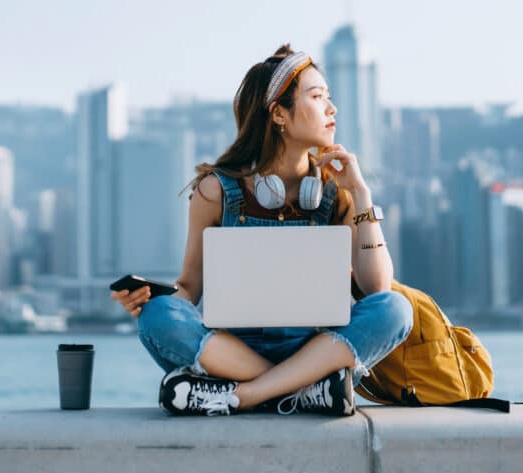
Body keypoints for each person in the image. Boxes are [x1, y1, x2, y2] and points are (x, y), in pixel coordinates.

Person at [110, 44, 413, 417]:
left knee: (396, 308)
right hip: (230, 350)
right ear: (279, 114)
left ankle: (242, 396)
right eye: (318, 97)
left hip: (313, 348)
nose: (332, 109)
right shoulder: (216, 191)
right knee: (157, 316)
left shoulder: (337, 192)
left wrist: (362, 195)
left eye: (329, 98)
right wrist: (150, 297)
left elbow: (376, 288)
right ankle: (306, 392)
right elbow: (189, 287)